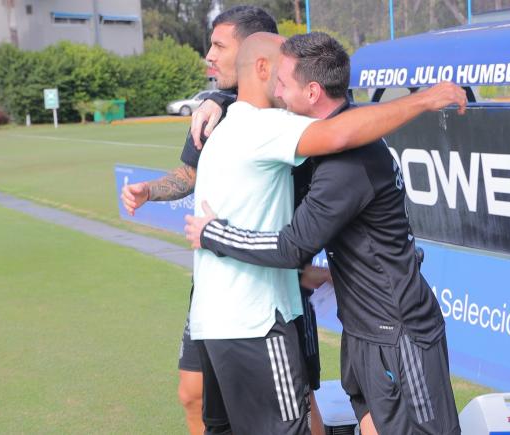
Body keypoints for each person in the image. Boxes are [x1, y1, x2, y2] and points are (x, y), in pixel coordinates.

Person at [185, 32, 464, 435]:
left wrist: (215, 235)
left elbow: (290, 247)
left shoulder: (347, 161)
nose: (276, 93)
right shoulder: (330, 136)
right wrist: (223, 99)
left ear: (312, 91)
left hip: (397, 331)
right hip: (366, 330)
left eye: (283, 84)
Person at [120, 7, 330, 435]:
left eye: (219, 45)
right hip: (217, 287)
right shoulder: (215, 114)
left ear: (257, 55)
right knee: (193, 395)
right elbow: (188, 176)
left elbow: (337, 130)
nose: (208, 57)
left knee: (298, 403)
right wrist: (149, 189)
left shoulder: (288, 117)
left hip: (273, 279)